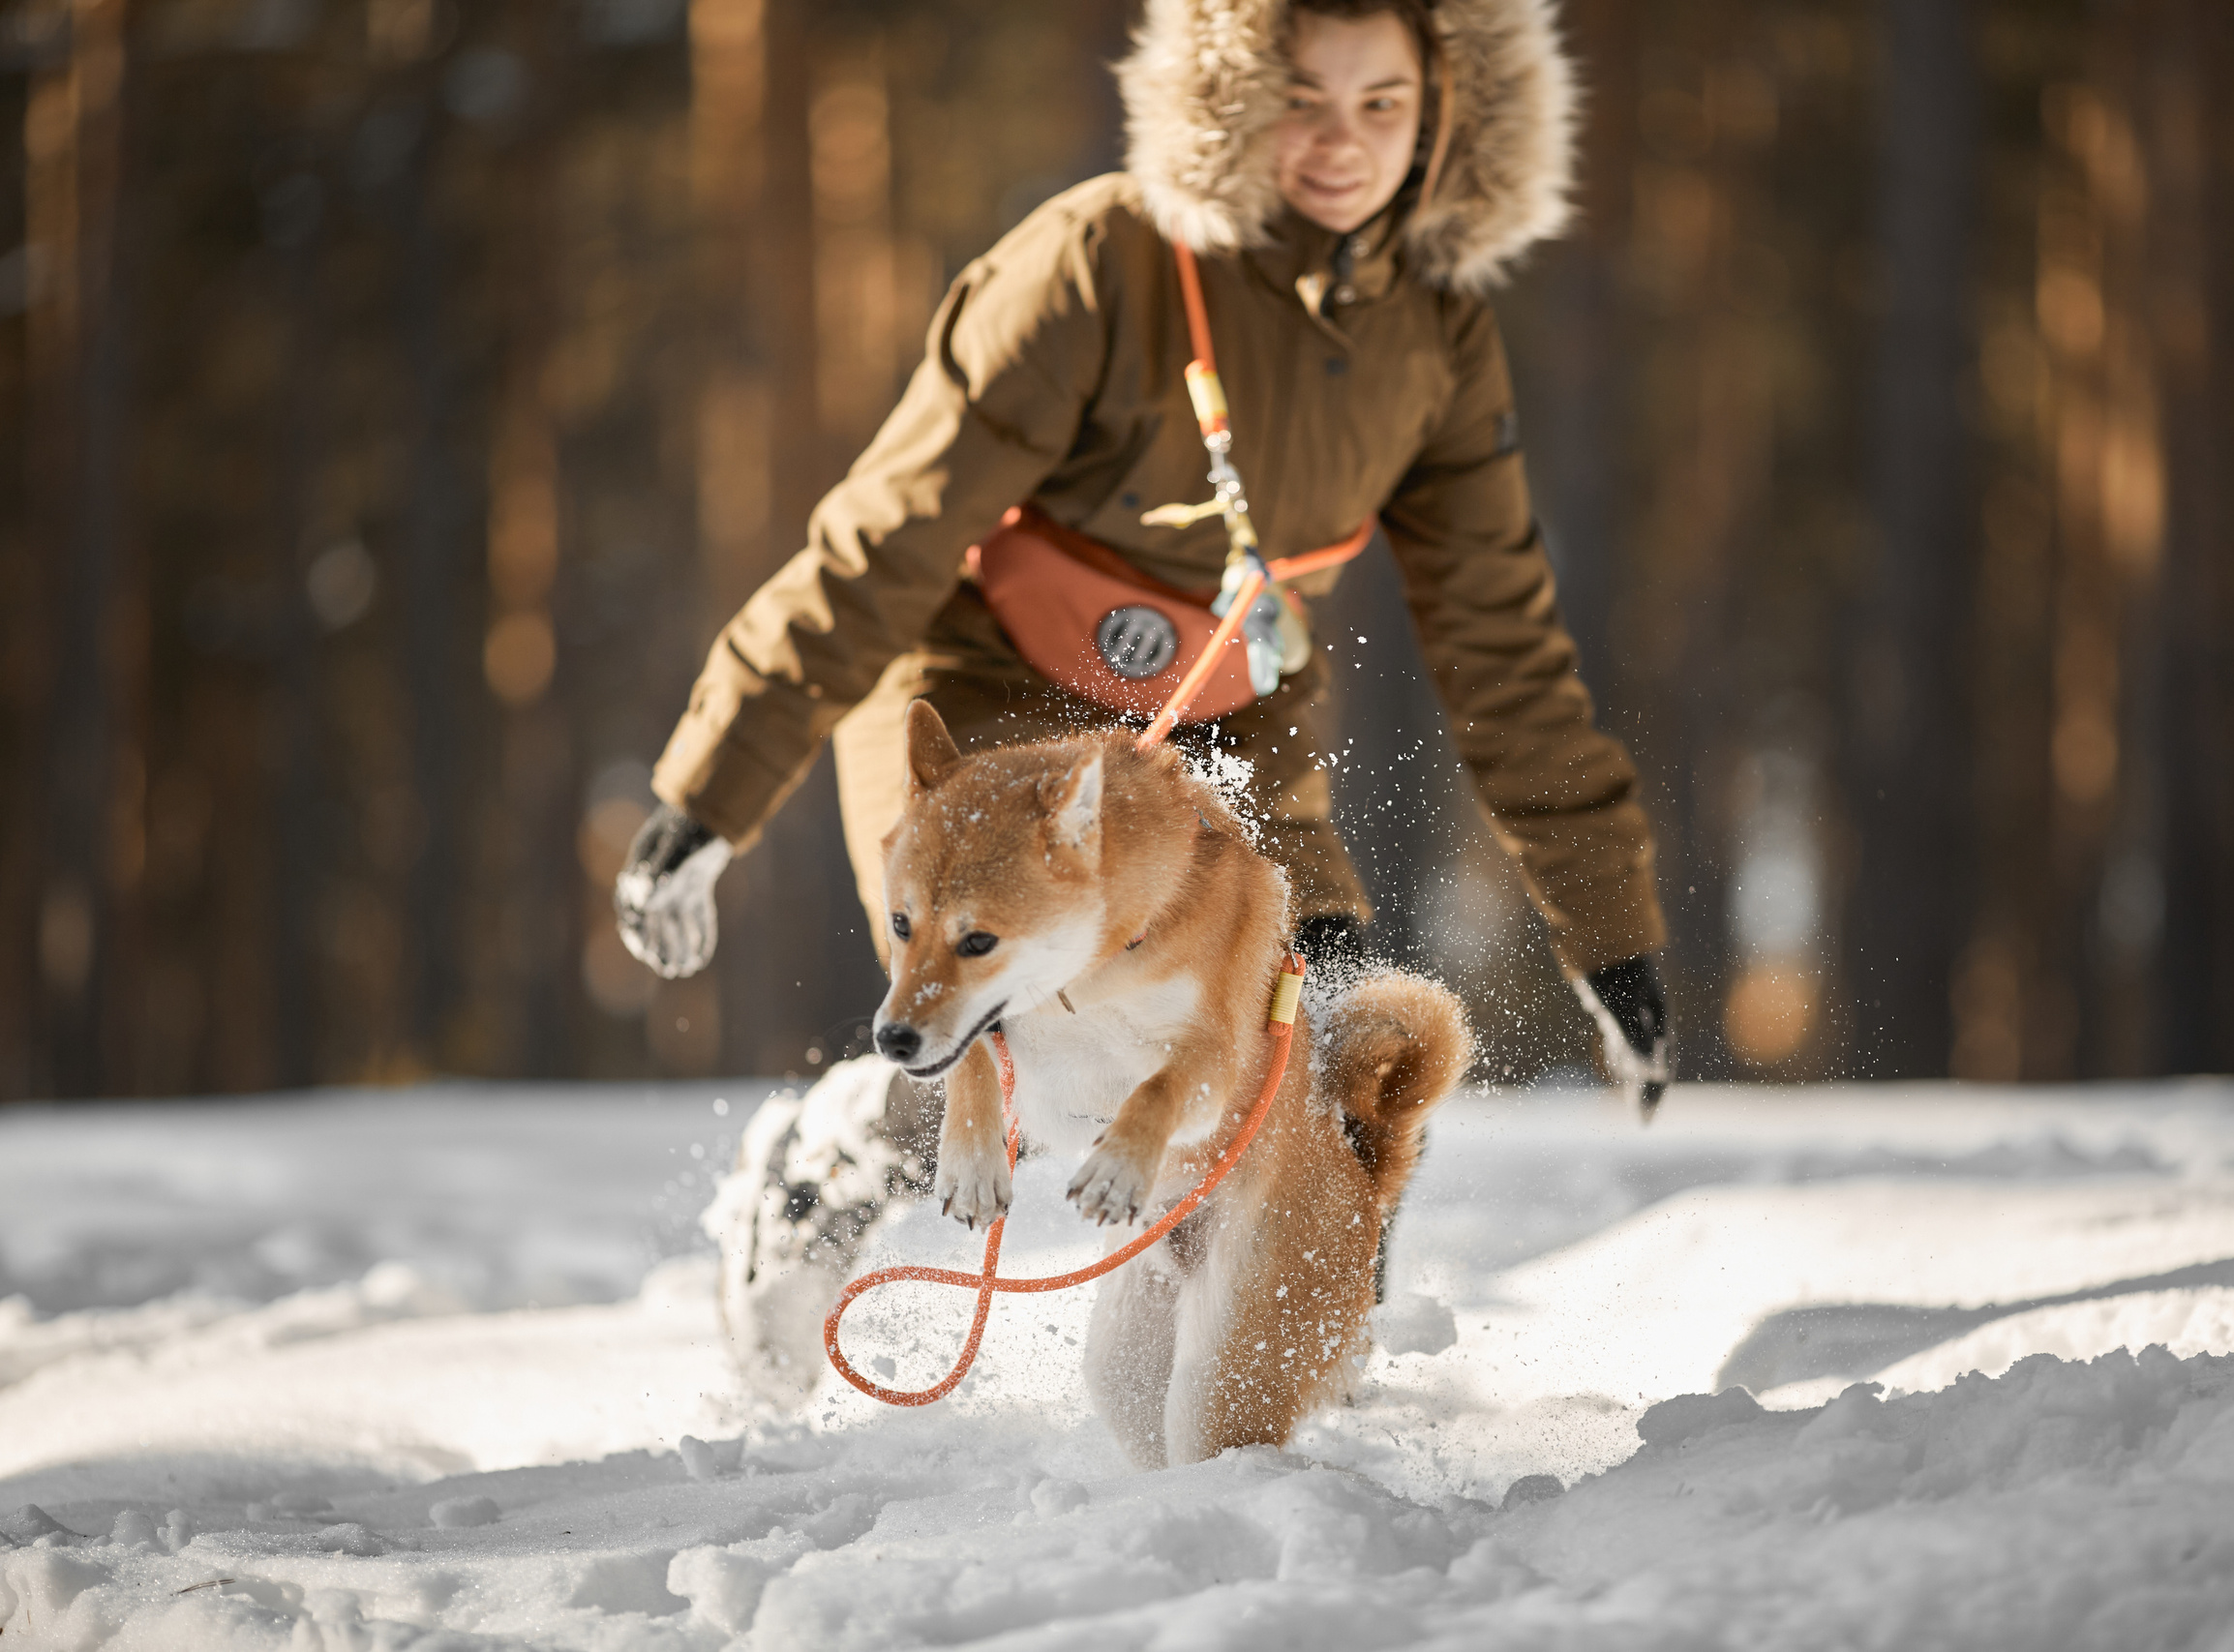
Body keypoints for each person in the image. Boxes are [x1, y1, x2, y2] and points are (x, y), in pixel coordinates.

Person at [617, 0, 1673, 1406]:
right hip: (987, 682)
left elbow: (1504, 644)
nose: (1343, 142)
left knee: (1319, 1031)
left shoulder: (1434, 331)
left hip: (1220, 720)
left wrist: (1608, 929)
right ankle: (842, 1161)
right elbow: (885, 540)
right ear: (1234, 92)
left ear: (1444, 115)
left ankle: (1286, 1395)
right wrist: (710, 791)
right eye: (1304, 98)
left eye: (1383, 103)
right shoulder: (1098, 260)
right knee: (1015, 1010)